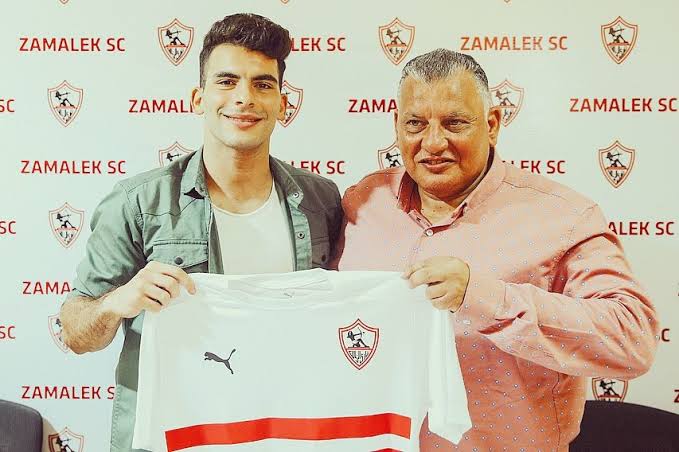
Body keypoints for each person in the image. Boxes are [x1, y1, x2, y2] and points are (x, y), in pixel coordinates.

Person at [336, 48, 659, 450]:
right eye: (415, 123)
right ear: (397, 124)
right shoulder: (363, 201)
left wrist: (487, 299)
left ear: (492, 124)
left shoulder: (564, 217)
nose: (433, 142)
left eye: (454, 123)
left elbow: (632, 339)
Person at [59, 13, 342, 452]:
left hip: (284, 431)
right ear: (198, 97)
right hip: (173, 435)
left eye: (263, 84)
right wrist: (119, 300)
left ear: (283, 104)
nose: (244, 98)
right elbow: (76, 333)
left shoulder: (321, 200)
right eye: (227, 81)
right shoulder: (137, 202)